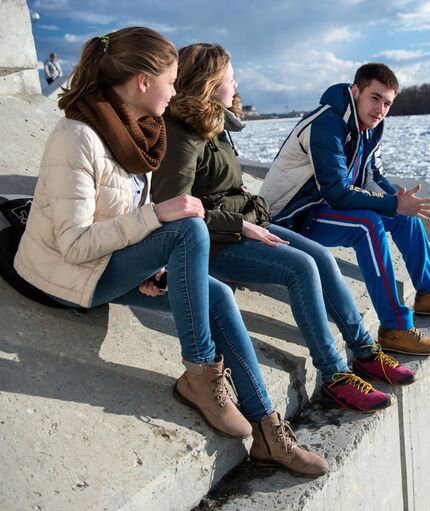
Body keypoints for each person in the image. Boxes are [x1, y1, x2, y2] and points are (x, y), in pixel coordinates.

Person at [13, 28, 328, 477]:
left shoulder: (134, 130)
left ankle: (267, 430)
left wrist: (151, 259)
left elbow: (123, 213)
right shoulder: (77, 137)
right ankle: (200, 374)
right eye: (172, 79)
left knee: (215, 294)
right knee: (188, 227)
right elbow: (75, 244)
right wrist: (156, 219)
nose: (177, 90)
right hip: (66, 277)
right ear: (143, 81)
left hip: (109, 263)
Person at [152, 44, 416, 422]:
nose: (236, 83)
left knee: (321, 258)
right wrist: (239, 224)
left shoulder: (214, 125)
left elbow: (223, 190)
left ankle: (365, 352)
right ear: (210, 83)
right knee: (300, 268)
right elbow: (175, 210)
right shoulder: (180, 133)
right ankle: (334, 374)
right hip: (213, 241)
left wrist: (250, 214)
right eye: (230, 77)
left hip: (243, 223)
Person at [260, 63, 430, 357]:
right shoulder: (326, 122)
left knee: (405, 217)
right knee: (367, 225)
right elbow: (337, 191)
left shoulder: (370, 128)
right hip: (291, 217)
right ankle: (395, 327)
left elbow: (372, 176)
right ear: (355, 91)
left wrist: (399, 199)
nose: (380, 108)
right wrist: (393, 203)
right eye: (375, 98)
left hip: (323, 207)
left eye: (387, 103)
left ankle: (429, 294)